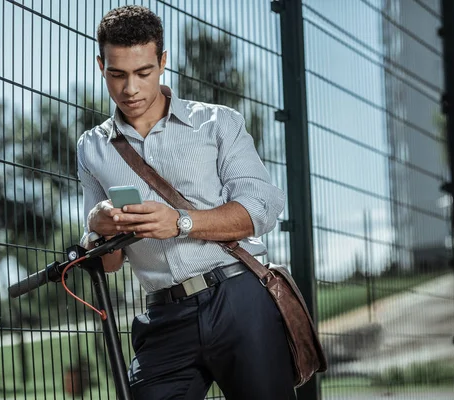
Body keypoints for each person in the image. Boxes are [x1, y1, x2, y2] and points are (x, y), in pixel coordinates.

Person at [77, 5, 296, 399]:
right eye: (117, 74)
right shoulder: (92, 148)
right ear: (100, 65)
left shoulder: (217, 123)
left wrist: (180, 222)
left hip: (238, 296)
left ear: (162, 62)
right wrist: (98, 226)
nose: (131, 89)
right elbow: (109, 264)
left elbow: (262, 206)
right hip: (163, 315)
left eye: (143, 73)